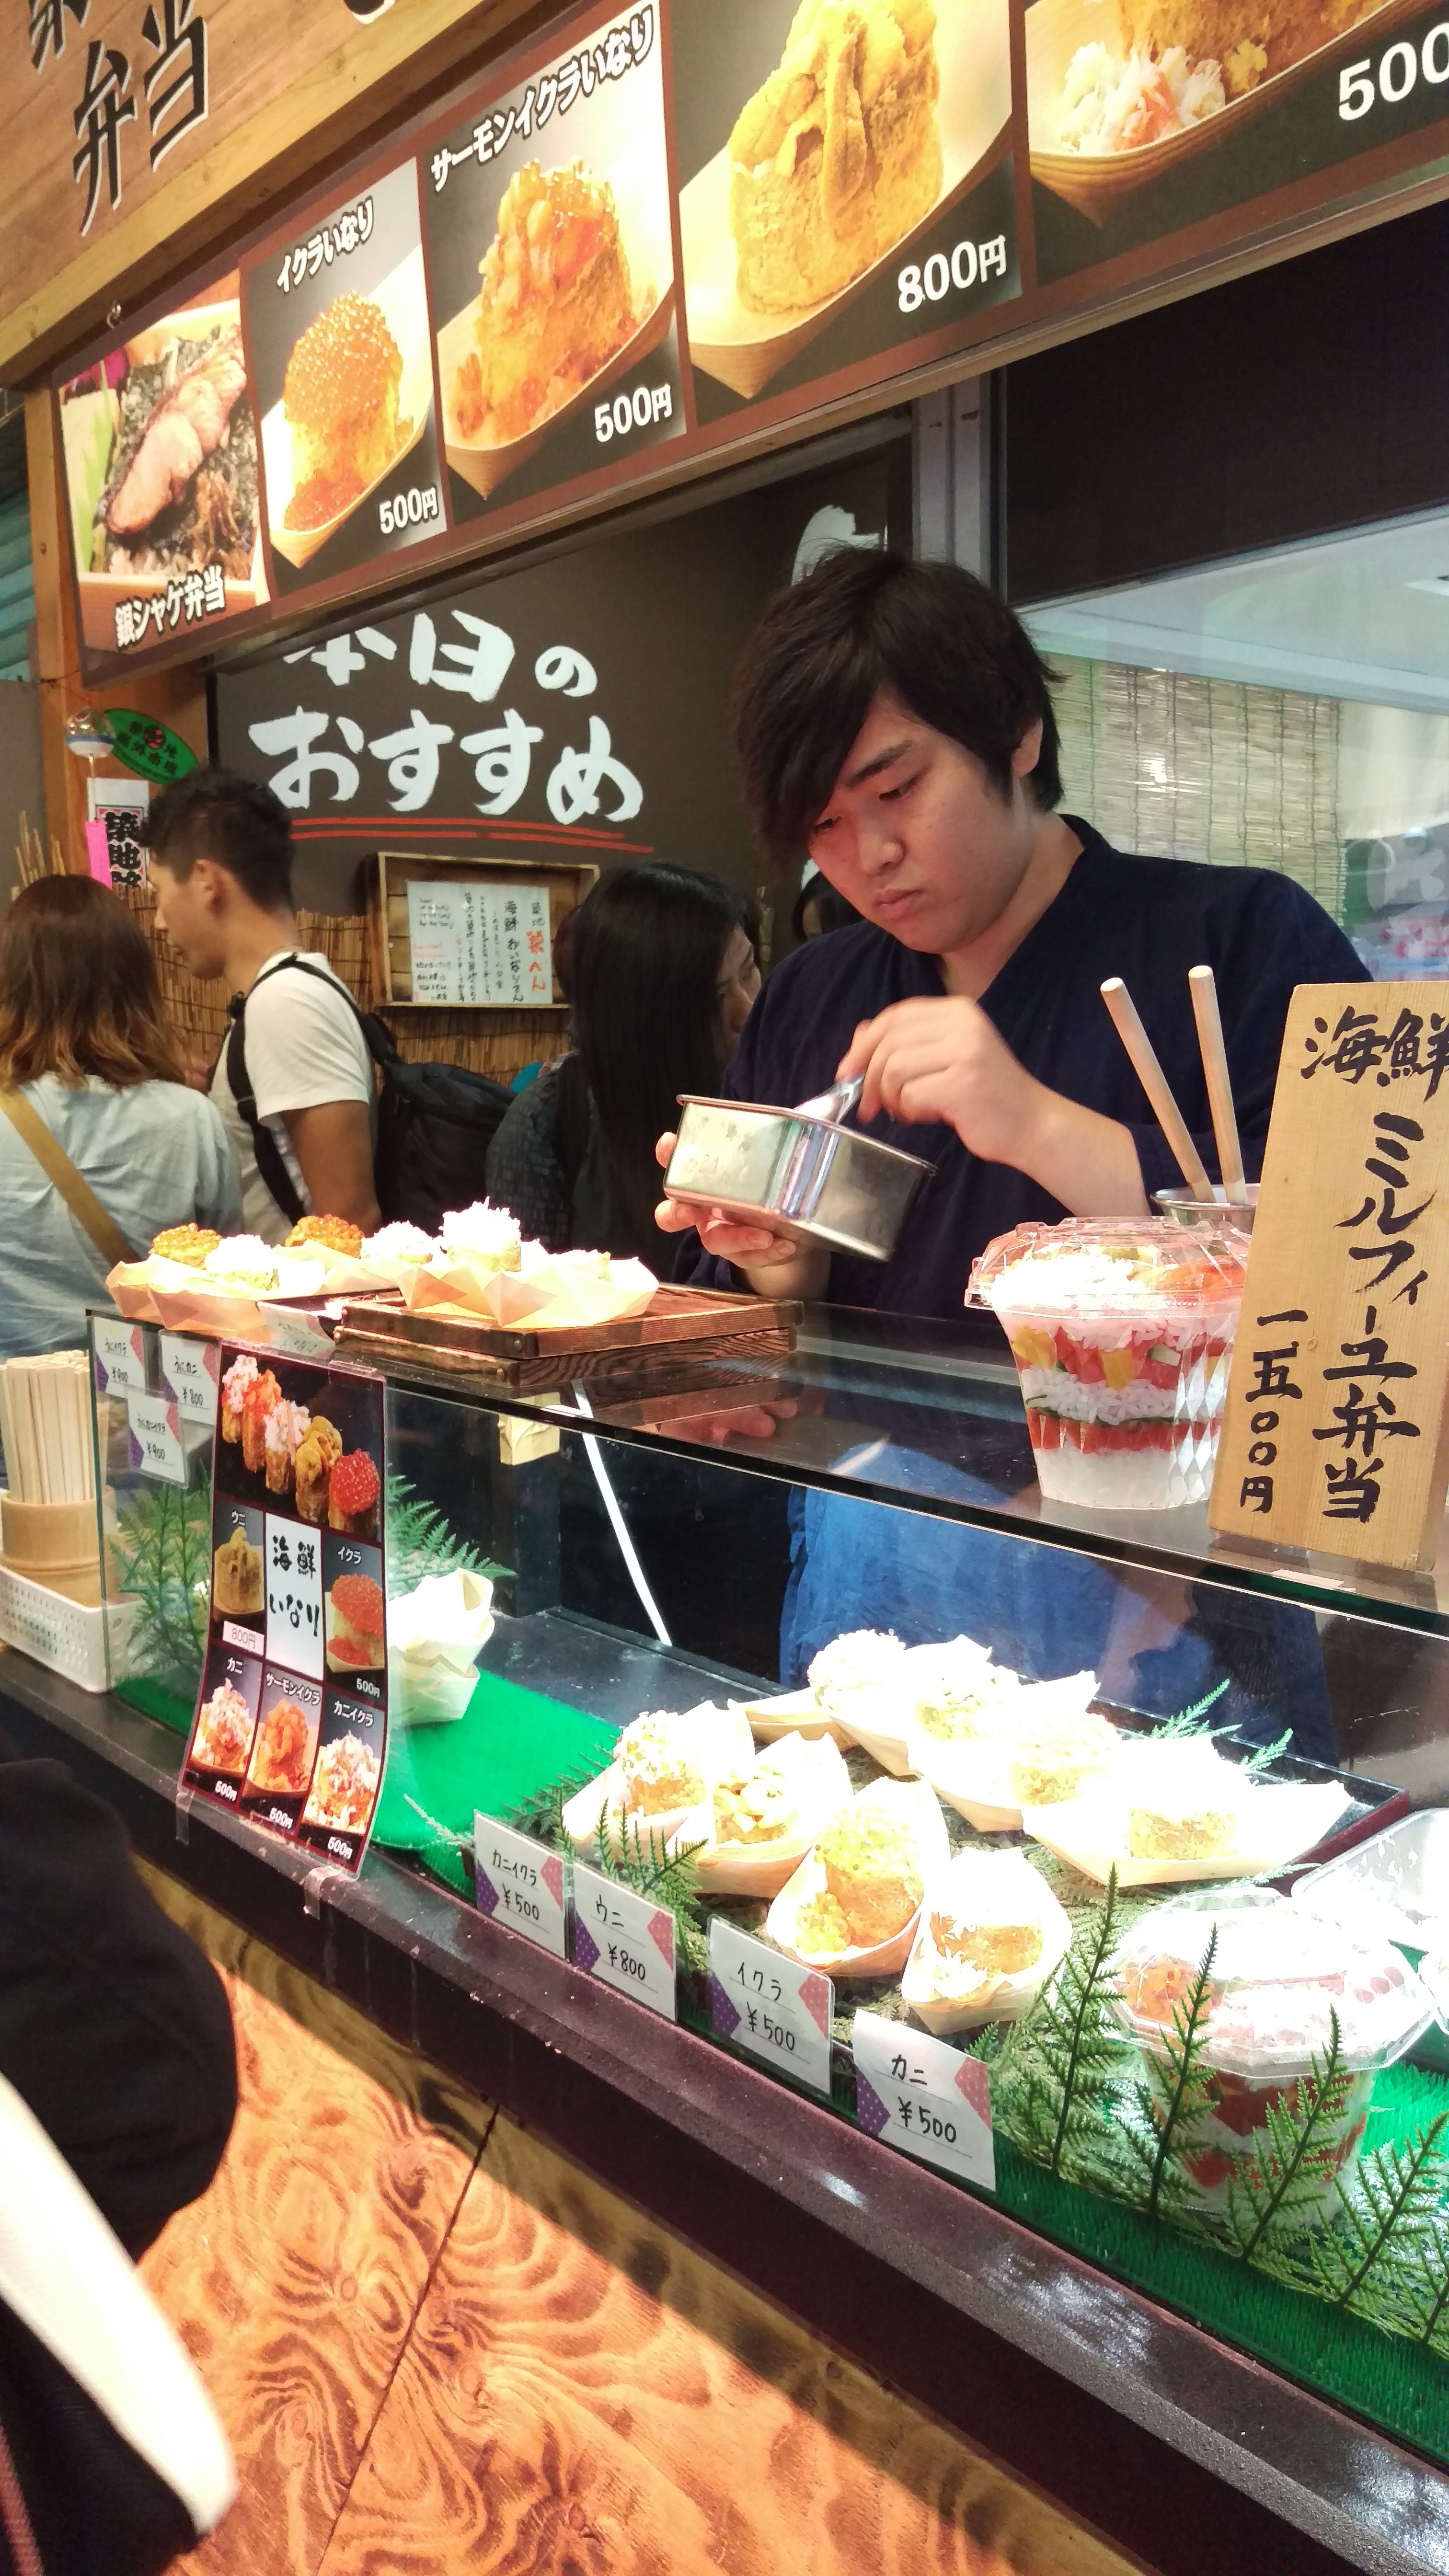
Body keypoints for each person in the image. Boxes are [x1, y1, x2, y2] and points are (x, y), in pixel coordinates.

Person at [656, 549, 1371, 1760]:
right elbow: (795, 1346)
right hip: (884, 1595)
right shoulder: (812, 994)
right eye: (825, 825)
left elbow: (1357, 1282)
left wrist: (1033, 1120)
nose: (868, 854)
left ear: (1020, 734)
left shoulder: (1245, 937)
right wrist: (780, 1275)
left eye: (898, 788)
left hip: (1179, 1621)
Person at [0, 878, 239, 1359]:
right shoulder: (193, 1120)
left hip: (12, 1419)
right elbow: (227, 1283)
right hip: (157, 1416)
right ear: (135, 986)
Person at [142, 769, 380, 1243]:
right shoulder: (279, 996)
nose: (161, 921)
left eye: (161, 894)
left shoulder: (287, 1002)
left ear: (207, 881)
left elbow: (349, 1223)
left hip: (290, 1314)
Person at [488, 861, 760, 1265]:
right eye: (717, 996)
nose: (748, 1010)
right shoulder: (549, 1121)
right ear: (643, 1014)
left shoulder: (773, 1085)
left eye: (750, 969)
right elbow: (521, 1297)